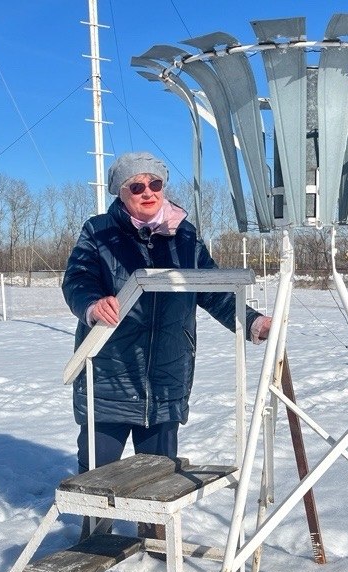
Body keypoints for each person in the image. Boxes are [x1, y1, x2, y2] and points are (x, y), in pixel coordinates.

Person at [62, 152, 271, 538]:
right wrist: (93, 304)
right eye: (136, 186)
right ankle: (93, 539)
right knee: (96, 472)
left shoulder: (185, 237)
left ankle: (155, 541)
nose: (147, 193)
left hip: (166, 375)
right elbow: (77, 278)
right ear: (120, 193)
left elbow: (215, 291)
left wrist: (252, 321)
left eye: (154, 184)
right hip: (109, 374)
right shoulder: (99, 232)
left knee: (159, 472)